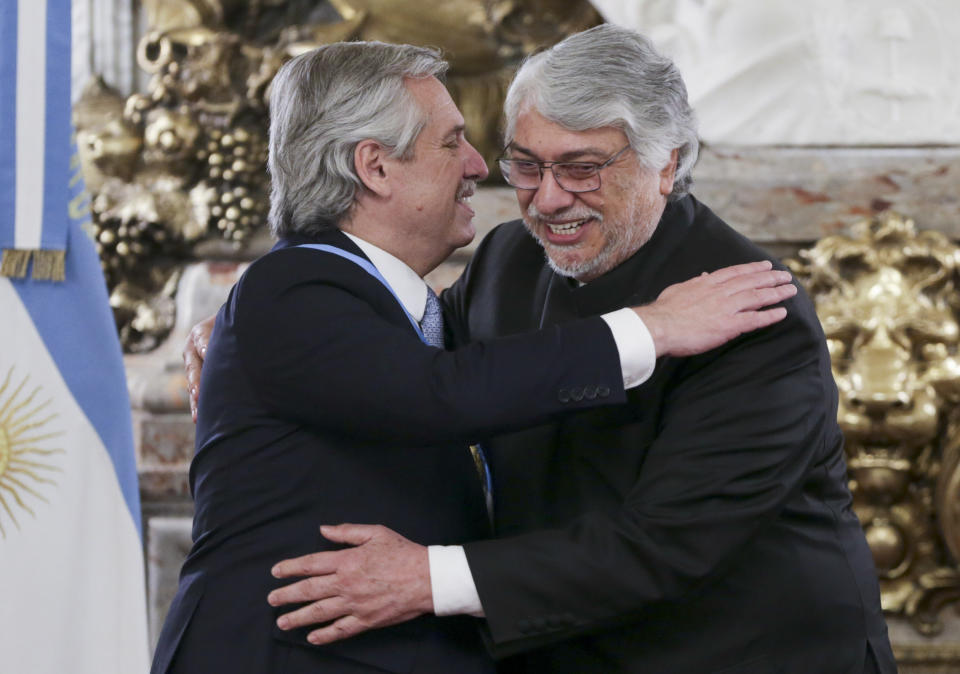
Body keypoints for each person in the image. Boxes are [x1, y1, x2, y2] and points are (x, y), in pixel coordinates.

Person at [236, 25, 898, 674]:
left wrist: (424, 578)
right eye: (526, 164)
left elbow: (662, 547)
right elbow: (423, 368)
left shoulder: (753, 310)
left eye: (582, 169)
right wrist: (255, 329)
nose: (548, 200)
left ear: (666, 163)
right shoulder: (508, 257)